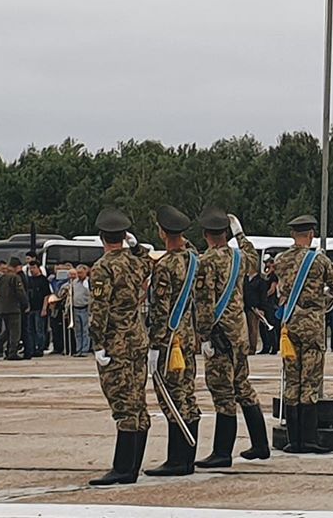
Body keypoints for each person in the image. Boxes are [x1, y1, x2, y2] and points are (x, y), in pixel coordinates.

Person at [193, 207, 269, 468]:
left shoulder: (207, 261)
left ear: (206, 234)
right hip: (238, 333)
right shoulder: (239, 257)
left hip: (219, 335)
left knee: (223, 392)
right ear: (225, 233)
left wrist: (204, 335)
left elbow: (204, 302)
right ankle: (260, 443)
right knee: (242, 386)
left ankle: (222, 452)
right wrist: (241, 235)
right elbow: (254, 257)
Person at [87, 205, 154, 487]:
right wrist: (135, 246)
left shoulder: (103, 267)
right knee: (137, 401)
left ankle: (123, 468)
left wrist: (97, 343)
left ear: (102, 237)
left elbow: (99, 309)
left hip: (116, 342)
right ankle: (133, 465)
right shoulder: (135, 262)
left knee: (123, 404)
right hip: (137, 339)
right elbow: (148, 261)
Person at [273, 214, 333, 454]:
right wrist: (322, 301)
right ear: (311, 235)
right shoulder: (319, 260)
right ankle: (309, 439)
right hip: (312, 326)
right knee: (310, 381)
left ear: (293, 234)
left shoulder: (281, 260)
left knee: (292, 380)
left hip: (289, 325)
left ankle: (293, 440)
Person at [146, 205, 202, 477]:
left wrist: (155, 345)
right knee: (186, 393)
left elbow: (161, 310)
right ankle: (187, 457)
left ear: (162, 232)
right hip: (188, 336)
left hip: (170, 341)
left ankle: (177, 459)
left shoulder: (165, 266)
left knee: (171, 395)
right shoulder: (193, 258)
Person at [0, 258, 29, 360]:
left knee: (8, 331)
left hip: (3, 308)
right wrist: (25, 304)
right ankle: (12, 353)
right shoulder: (15, 278)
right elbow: (20, 292)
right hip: (13, 308)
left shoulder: (2, 278)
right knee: (15, 332)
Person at [24, 262, 50, 358]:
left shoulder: (43, 280)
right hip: (31, 308)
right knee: (30, 330)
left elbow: (46, 295)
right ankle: (32, 348)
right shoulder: (29, 280)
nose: (32, 270)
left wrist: (44, 308)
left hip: (39, 308)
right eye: (30, 268)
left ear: (38, 268)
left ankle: (40, 348)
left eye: (34, 268)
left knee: (39, 330)